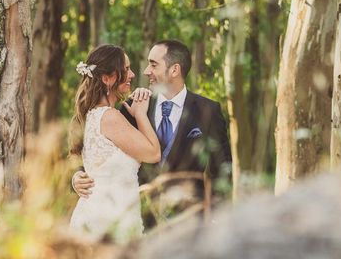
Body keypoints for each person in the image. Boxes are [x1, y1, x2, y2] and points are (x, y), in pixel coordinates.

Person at [72, 39, 232, 226]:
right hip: (138, 217)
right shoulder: (131, 106)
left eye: (153, 64)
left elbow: (222, 171)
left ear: (174, 70)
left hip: (188, 224)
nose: (146, 71)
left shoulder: (208, 111)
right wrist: (76, 177)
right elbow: (99, 150)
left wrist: (215, 219)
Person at [68, 45, 160, 243]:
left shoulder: (91, 115)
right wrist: (141, 114)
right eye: (126, 69)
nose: (133, 74)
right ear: (107, 79)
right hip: (109, 220)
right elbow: (153, 153)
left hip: (105, 215)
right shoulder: (109, 117)